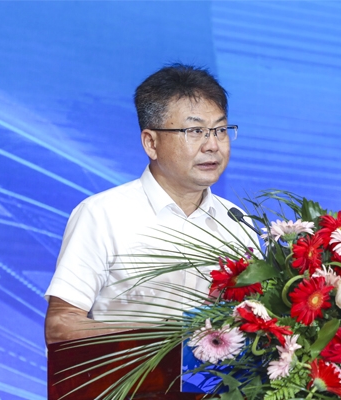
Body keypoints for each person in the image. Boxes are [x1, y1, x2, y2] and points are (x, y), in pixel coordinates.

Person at [44, 64, 257, 345]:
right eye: (195, 131)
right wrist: (163, 339)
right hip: (128, 373)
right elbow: (61, 325)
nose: (212, 145)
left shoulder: (236, 221)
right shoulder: (102, 215)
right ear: (151, 143)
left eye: (220, 130)